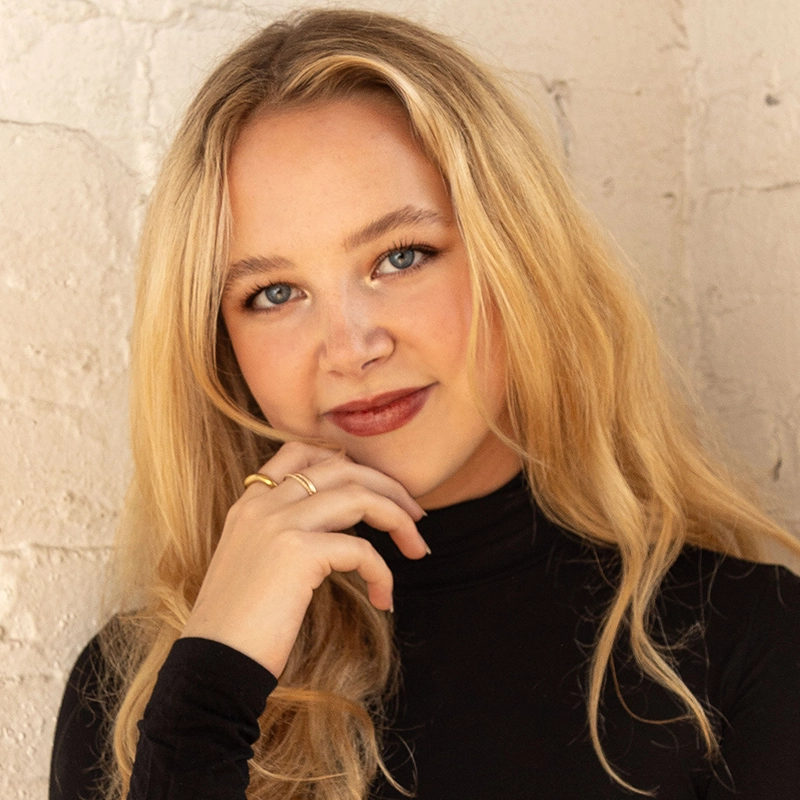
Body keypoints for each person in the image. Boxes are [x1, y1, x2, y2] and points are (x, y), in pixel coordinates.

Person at [49, 7, 800, 800]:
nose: (351, 346)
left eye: (401, 257)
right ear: (219, 344)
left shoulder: (743, 649)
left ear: (520, 258)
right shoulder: (146, 687)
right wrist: (207, 697)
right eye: (273, 292)